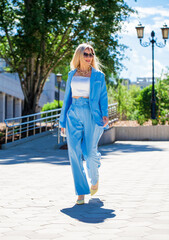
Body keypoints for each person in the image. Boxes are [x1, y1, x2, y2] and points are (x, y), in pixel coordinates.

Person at [59, 43, 109, 205]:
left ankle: (94, 177)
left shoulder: (98, 76)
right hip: (73, 113)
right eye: (86, 54)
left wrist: (105, 114)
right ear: (79, 56)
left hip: (91, 114)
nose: (89, 57)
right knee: (73, 152)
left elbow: (103, 97)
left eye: (91, 54)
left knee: (89, 153)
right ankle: (81, 192)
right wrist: (62, 121)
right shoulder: (71, 74)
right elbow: (66, 98)